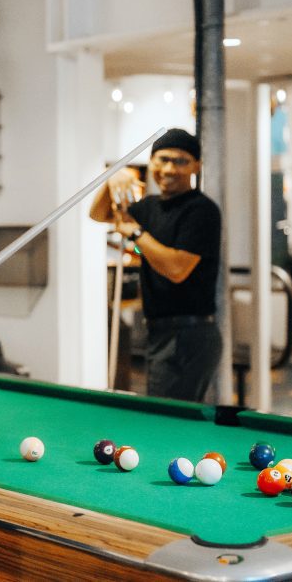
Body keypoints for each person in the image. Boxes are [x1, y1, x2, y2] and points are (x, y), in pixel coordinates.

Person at [89, 128, 222, 402]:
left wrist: (136, 234)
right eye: (162, 159)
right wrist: (112, 177)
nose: (169, 168)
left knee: (167, 416)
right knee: (168, 415)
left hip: (188, 335)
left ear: (196, 166)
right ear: (151, 163)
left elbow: (176, 269)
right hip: (161, 331)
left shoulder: (201, 210)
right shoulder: (149, 207)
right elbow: (98, 213)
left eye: (180, 161)